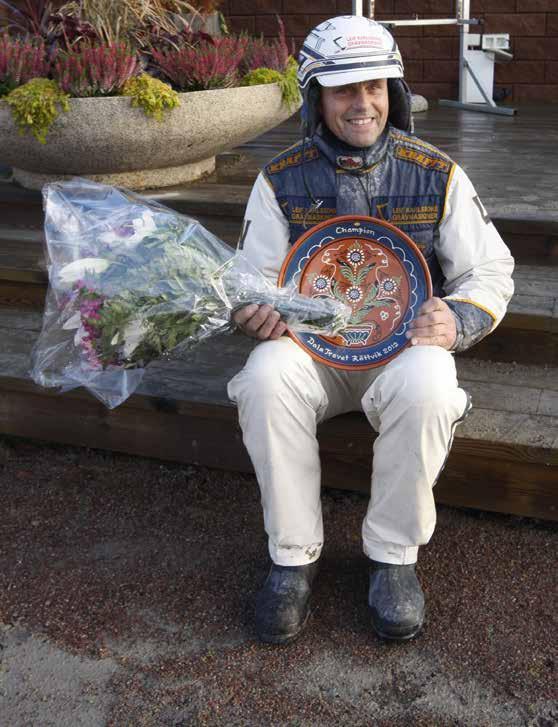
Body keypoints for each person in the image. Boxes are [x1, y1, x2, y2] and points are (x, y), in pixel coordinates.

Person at [227, 15, 514, 644]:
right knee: (262, 379)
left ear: (396, 93)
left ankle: (392, 558)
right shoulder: (278, 178)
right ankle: (291, 559)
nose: (363, 104)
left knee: (433, 386)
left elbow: (490, 268)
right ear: (316, 99)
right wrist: (251, 312)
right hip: (313, 352)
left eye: (376, 87)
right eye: (344, 90)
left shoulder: (438, 172)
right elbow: (249, 278)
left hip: (402, 350)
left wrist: (460, 315)